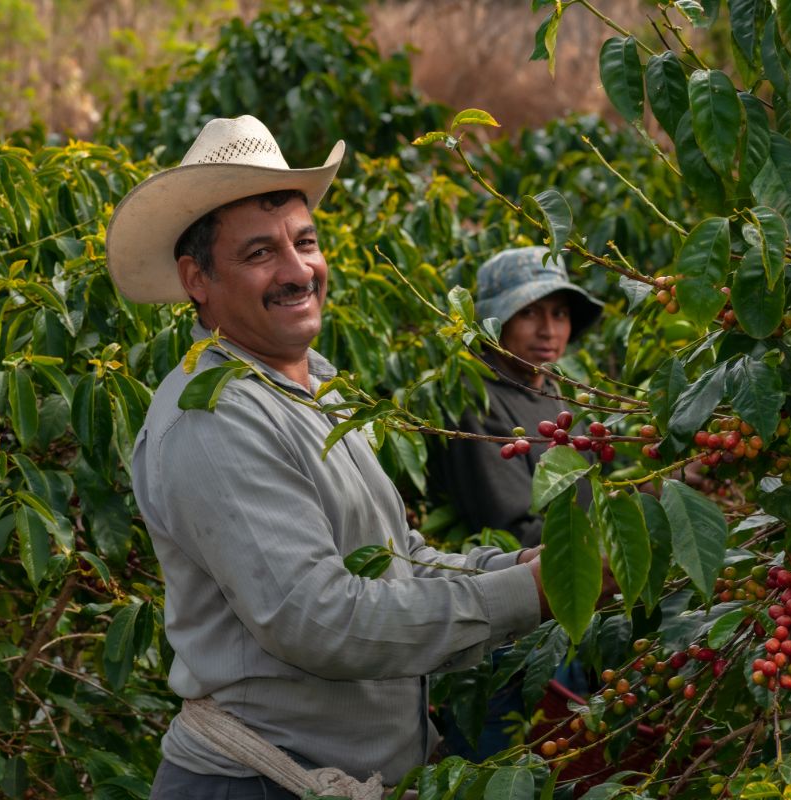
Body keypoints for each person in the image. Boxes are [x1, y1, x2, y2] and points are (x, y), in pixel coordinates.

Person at [105, 115, 553, 798]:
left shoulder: (322, 384)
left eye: (306, 242)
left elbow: (393, 557)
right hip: (259, 784)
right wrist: (530, 595)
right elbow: (320, 620)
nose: (297, 271)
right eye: (259, 254)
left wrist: (515, 567)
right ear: (197, 278)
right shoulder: (214, 417)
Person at [429, 246, 603, 547]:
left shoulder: (557, 391)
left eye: (559, 313)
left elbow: (597, 491)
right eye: (528, 312)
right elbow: (517, 532)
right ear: (496, 321)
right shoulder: (476, 401)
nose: (548, 331)